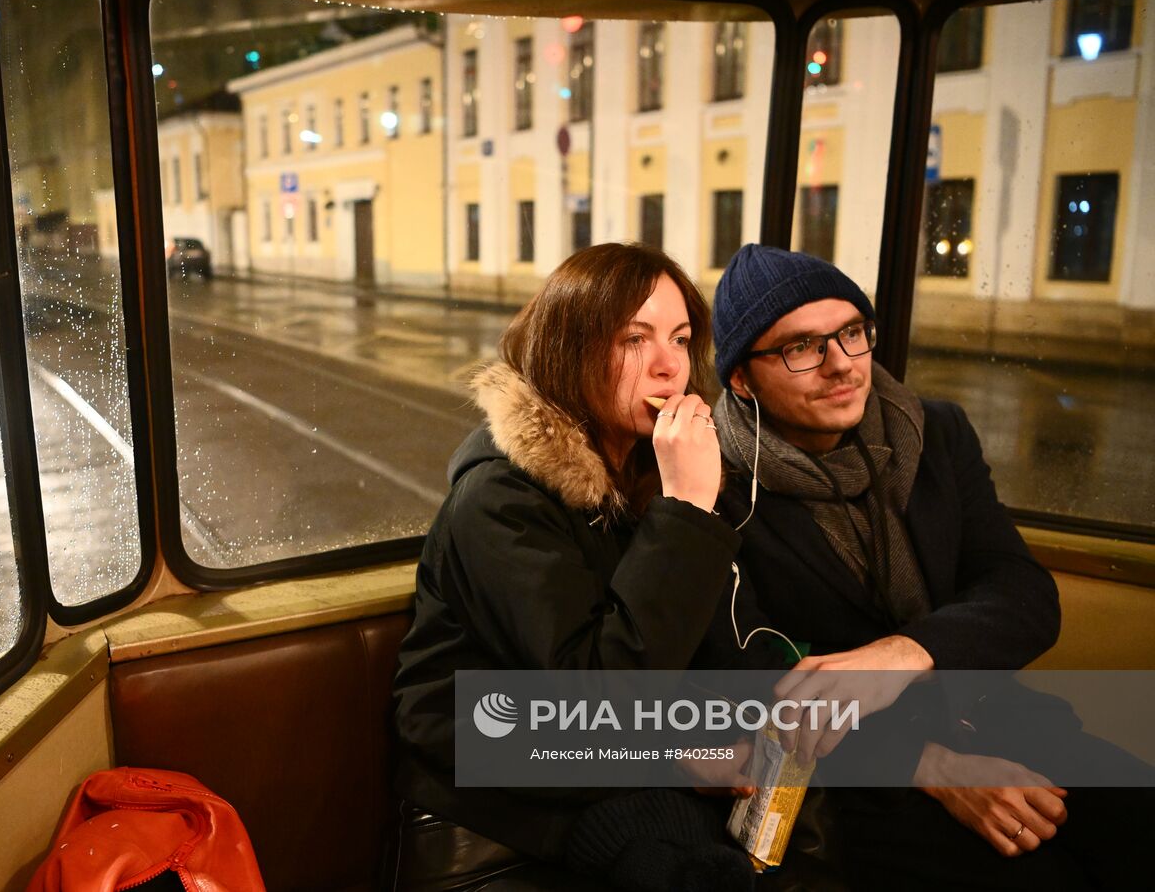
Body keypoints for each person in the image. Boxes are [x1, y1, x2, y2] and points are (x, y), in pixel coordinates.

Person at [697, 243, 1148, 891]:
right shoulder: (718, 486)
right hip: (857, 776)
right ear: (742, 377)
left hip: (990, 715)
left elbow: (1021, 590)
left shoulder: (933, 431)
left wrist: (906, 651)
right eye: (802, 347)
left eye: (852, 333)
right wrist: (929, 764)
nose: (842, 365)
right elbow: (748, 686)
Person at [391, 243, 752, 891]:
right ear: (571, 349)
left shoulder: (641, 474)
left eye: (680, 337)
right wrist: (690, 508)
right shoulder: (499, 504)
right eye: (634, 338)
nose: (670, 365)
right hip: (504, 802)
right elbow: (600, 699)